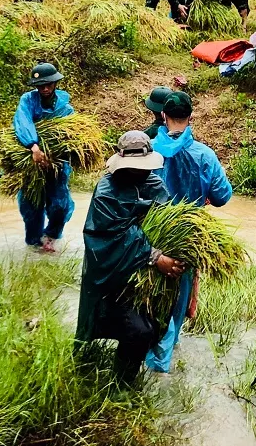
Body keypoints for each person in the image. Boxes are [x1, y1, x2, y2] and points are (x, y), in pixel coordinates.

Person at [75, 131, 186, 384]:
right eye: (133, 168)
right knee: (138, 330)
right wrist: (154, 257)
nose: (139, 172)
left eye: (142, 167)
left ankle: (125, 379)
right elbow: (108, 236)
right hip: (112, 275)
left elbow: (166, 222)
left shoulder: (154, 184)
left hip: (143, 278)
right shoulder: (107, 191)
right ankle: (120, 386)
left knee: (147, 328)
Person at [146, 91, 232, 373]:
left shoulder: (149, 151)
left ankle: (151, 359)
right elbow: (222, 196)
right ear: (191, 117)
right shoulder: (204, 155)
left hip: (151, 237)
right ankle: (163, 361)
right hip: (187, 239)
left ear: (162, 115)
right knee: (178, 299)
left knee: (148, 295)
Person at [12, 62, 75, 253]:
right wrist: (33, 146)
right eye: (41, 85)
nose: (45, 89)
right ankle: (33, 245)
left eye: (49, 84)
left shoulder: (66, 109)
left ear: (56, 84)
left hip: (56, 165)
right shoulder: (28, 100)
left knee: (59, 205)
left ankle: (51, 236)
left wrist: (55, 156)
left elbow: (70, 136)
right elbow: (22, 121)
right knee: (31, 206)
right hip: (31, 162)